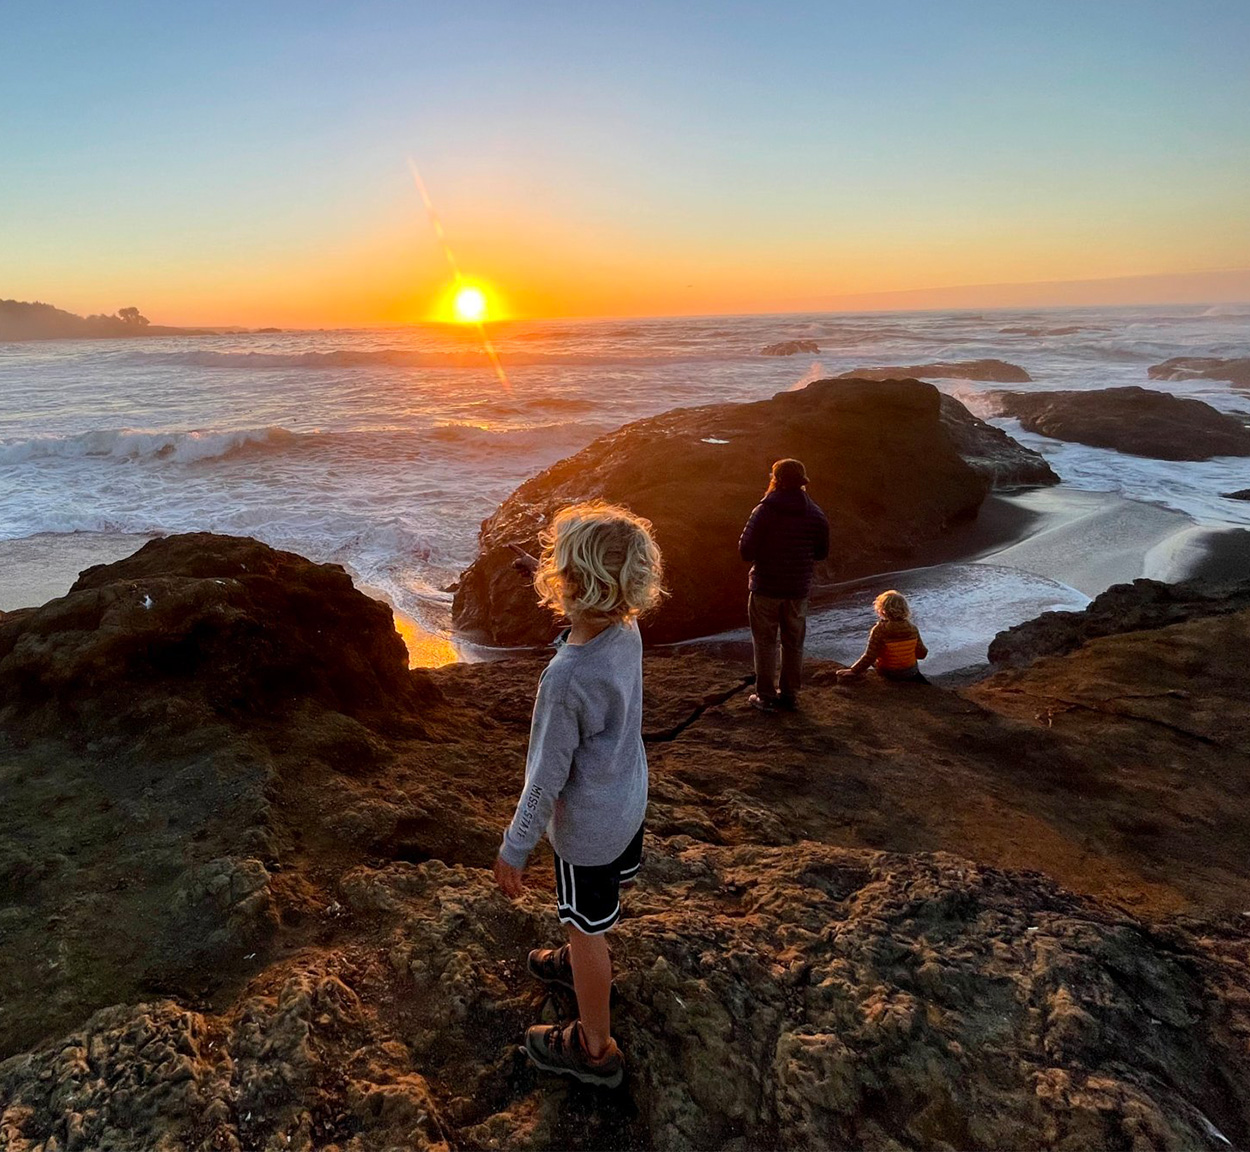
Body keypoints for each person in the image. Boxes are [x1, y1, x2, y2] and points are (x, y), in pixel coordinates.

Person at [494, 502, 664, 1089]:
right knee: (595, 912)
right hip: (627, 803)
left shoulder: (564, 678)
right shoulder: (626, 627)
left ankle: (594, 1047)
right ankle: (578, 959)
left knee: (586, 931)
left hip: (588, 830)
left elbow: (545, 776)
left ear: (568, 585)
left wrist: (515, 846)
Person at [738, 458, 830, 712]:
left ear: (775, 479)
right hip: (797, 589)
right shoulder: (815, 513)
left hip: (766, 586)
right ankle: (790, 694)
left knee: (765, 641)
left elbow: (746, 550)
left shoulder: (764, 510)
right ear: (803, 481)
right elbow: (822, 552)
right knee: (793, 642)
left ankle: (765, 695)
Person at [836, 590, 929, 683]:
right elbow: (922, 654)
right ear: (905, 608)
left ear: (882, 610)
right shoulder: (912, 628)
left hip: (890, 673)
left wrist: (853, 671)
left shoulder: (879, 630)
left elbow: (869, 657)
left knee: (873, 660)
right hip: (911, 672)